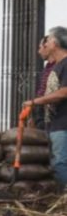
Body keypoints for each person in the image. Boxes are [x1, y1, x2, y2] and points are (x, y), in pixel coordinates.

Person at [23, 26, 67, 189]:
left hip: (63, 123)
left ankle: (63, 202)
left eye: (47, 41)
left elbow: (64, 92)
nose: (45, 44)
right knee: (57, 162)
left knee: (60, 163)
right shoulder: (58, 65)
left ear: (55, 43)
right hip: (55, 123)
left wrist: (36, 102)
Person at [32, 36, 57, 129]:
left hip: (51, 111)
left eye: (40, 47)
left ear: (48, 47)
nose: (39, 51)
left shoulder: (59, 66)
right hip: (41, 108)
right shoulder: (47, 67)